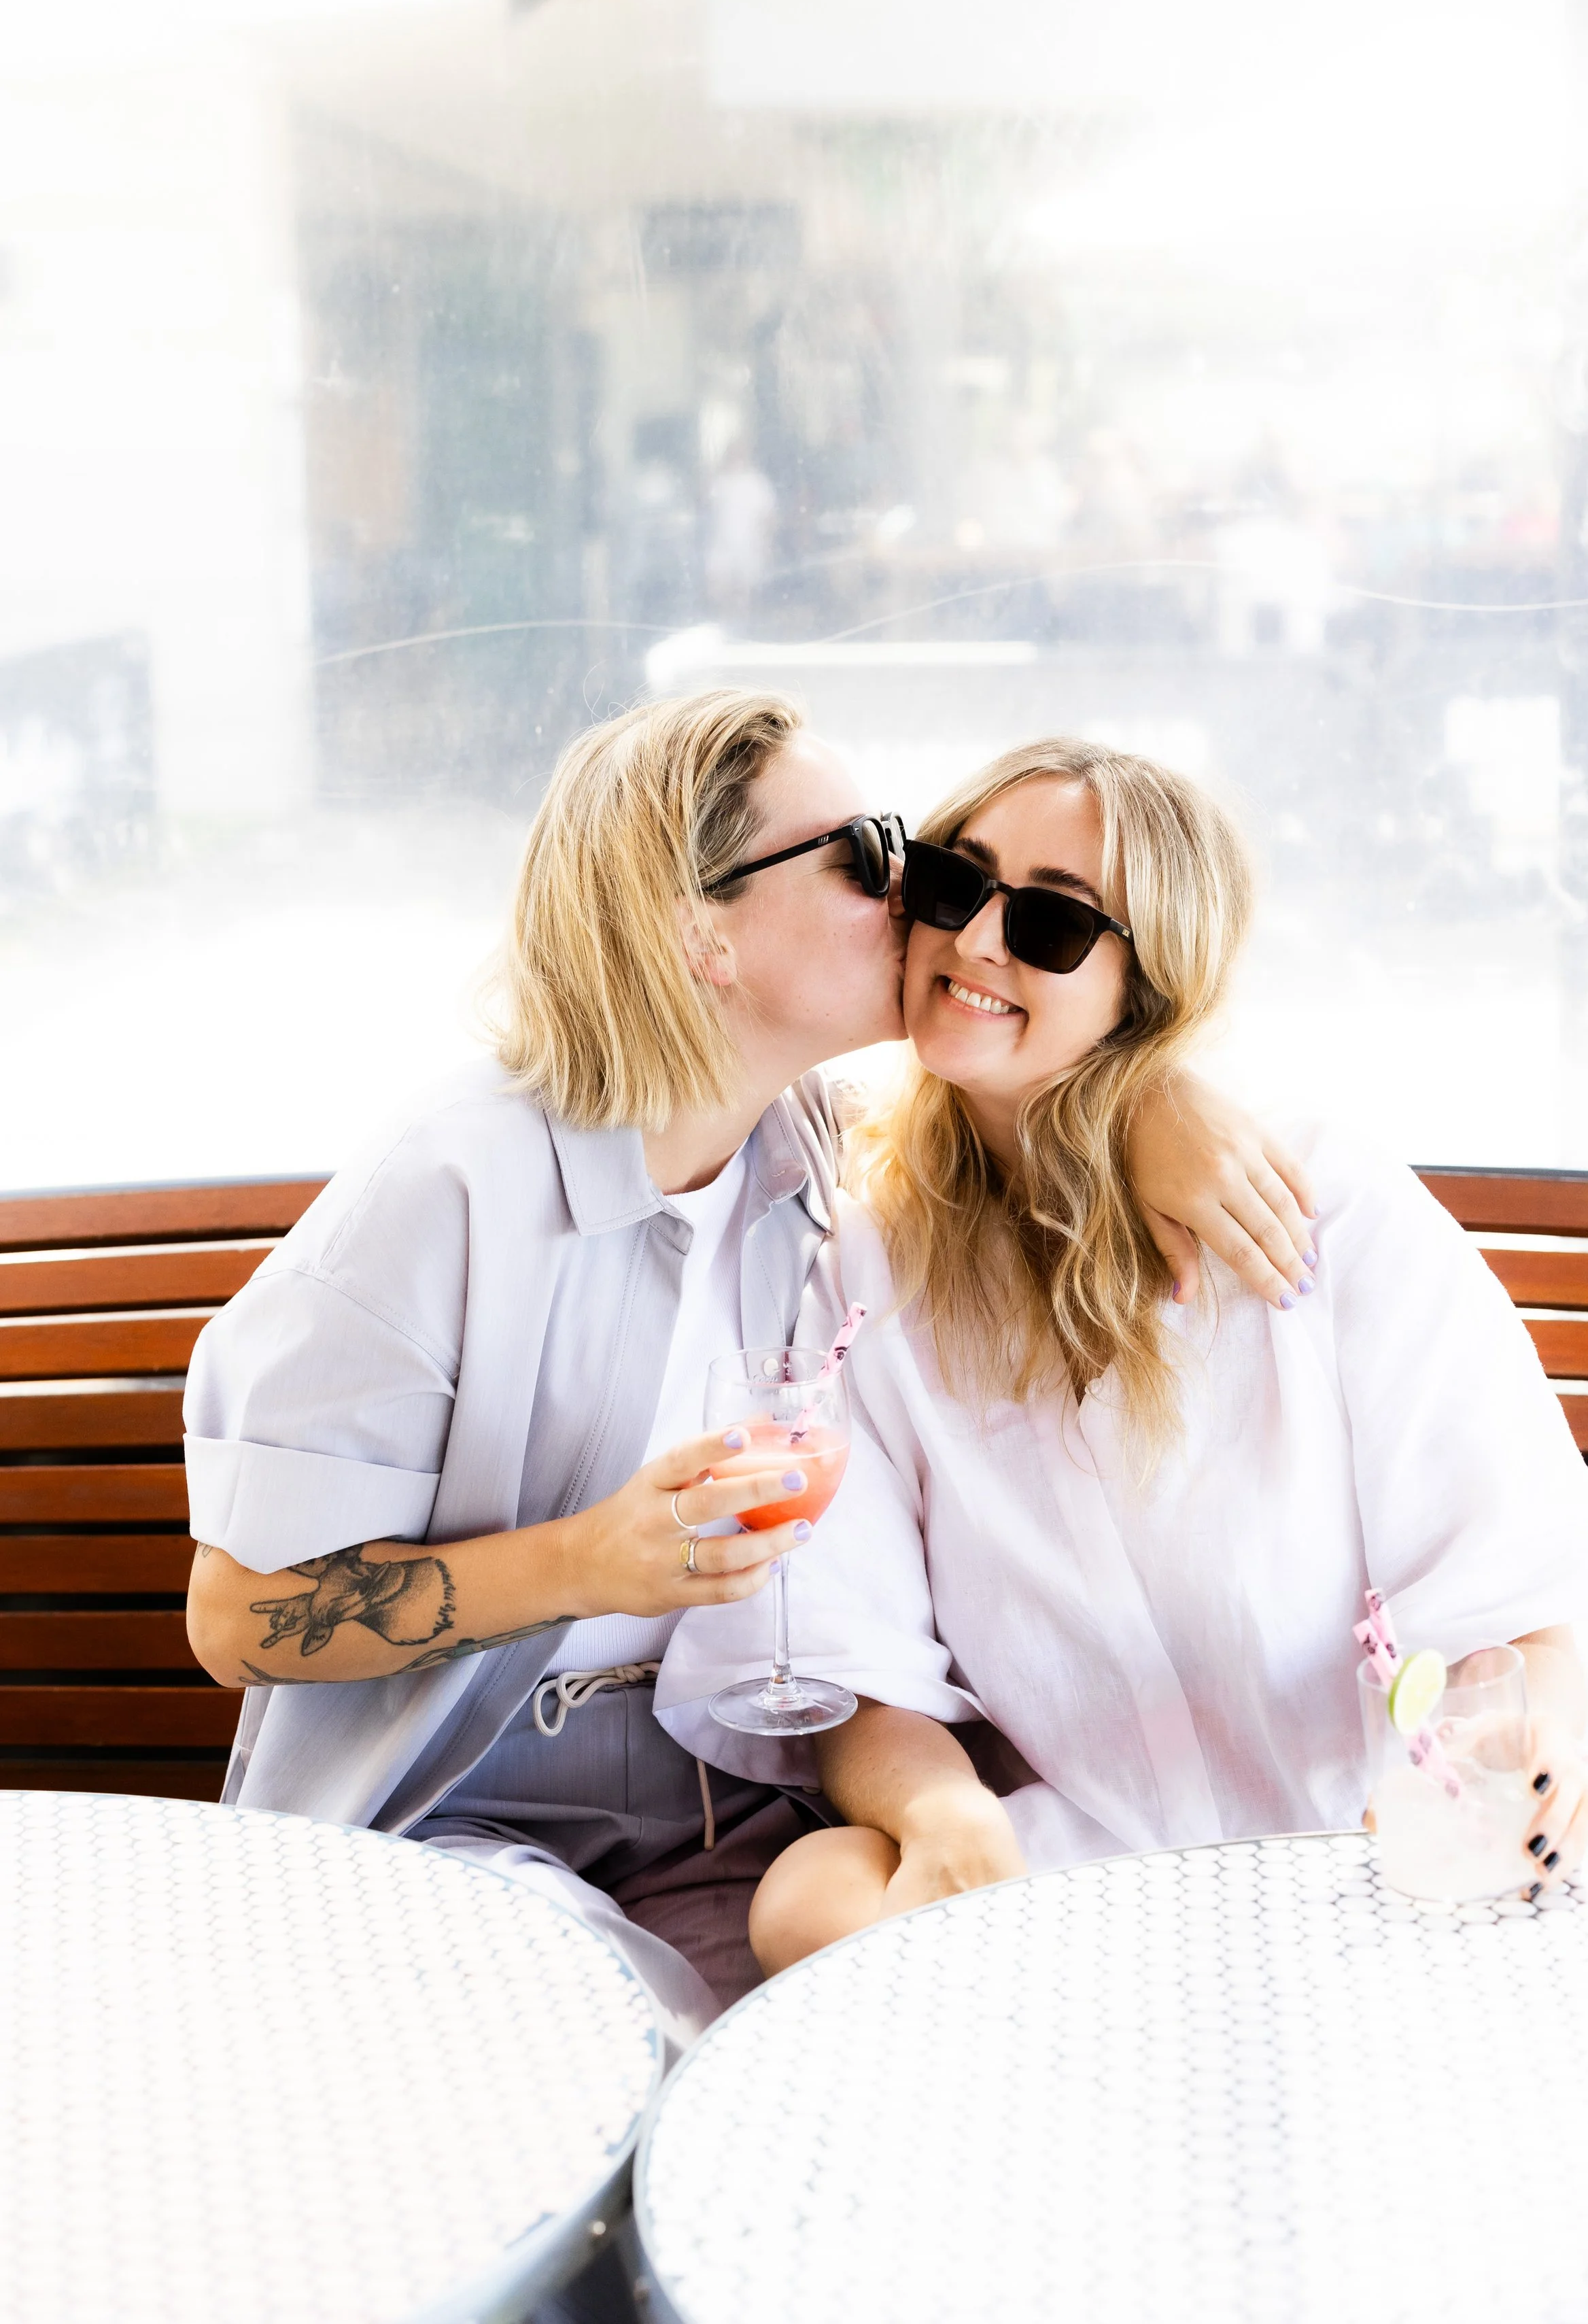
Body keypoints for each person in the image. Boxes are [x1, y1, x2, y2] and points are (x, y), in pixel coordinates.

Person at [184, 692, 1313, 2050]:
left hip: (738, 1825)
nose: (915, 889)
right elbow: (236, 1617)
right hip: (461, 1820)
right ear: (698, 932)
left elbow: (1034, 1077)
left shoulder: (815, 1149)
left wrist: (1155, 1098)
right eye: (863, 853)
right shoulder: (447, 1190)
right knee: (617, 2059)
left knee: (888, 2053)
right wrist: (585, 1562)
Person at [655, 736, 1588, 1971]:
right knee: (811, 1897)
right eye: (954, 881)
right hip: (1089, 1872)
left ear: (1147, 989)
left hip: (1367, 1843)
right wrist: (946, 1819)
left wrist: (1517, 1748)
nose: (977, 937)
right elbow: (858, 1658)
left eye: (1051, 922)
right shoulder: (868, 1259)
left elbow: (1509, 1593)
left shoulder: (1323, 1208)